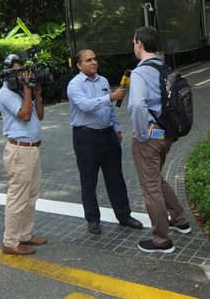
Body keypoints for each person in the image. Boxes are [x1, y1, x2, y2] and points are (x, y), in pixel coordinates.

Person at [127, 26, 191, 254]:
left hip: (150, 139)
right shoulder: (164, 67)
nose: (134, 45)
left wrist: (142, 133)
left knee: (150, 187)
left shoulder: (140, 72)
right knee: (156, 179)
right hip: (166, 136)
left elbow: (136, 105)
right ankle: (180, 219)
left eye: (134, 42)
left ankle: (161, 240)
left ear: (140, 45)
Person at [67, 49, 143, 235]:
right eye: (88, 60)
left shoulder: (103, 81)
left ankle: (124, 215)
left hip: (108, 135)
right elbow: (85, 105)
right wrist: (110, 96)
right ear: (79, 65)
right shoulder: (74, 85)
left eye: (95, 59)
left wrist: (116, 128)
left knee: (116, 178)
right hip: (86, 137)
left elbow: (110, 109)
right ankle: (93, 219)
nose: (93, 62)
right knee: (89, 180)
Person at [0, 54, 47, 255]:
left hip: (32, 149)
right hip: (19, 151)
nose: (22, 75)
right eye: (17, 72)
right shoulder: (5, 94)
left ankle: (25, 235)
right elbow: (25, 116)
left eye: (22, 71)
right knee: (17, 198)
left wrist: (37, 96)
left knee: (31, 195)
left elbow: (39, 115)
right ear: (8, 73)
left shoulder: (19, 93)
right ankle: (10, 241)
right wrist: (27, 90)